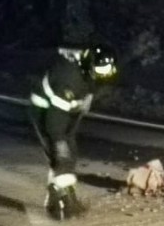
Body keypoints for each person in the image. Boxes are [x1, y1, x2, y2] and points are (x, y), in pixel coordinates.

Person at [29, 43, 118, 220]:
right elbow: (55, 120)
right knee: (61, 156)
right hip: (45, 112)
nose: (102, 77)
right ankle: (62, 199)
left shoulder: (88, 69)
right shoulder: (70, 79)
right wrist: (58, 141)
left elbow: (91, 85)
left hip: (66, 112)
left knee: (70, 154)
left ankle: (60, 195)